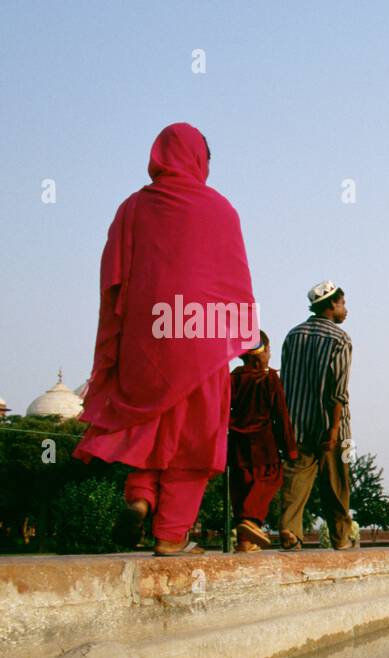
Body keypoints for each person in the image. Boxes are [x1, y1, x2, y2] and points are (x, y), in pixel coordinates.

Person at [75, 123, 257, 556]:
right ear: (200, 160)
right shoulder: (221, 209)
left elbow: (113, 279)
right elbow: (234, 278)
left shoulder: (132, 207)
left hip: (146, 336)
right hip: (201, 333)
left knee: (149, 420)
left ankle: (140, 496)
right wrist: (236, 334)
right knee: (194, 433)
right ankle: (172, 533)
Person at [280, 282, 353, 550]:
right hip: (334, 429)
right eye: (343, 304)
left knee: (295, 484)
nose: (345, 310)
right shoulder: (340, 339)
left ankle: (290, 531)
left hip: (296, 425)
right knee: (338, 484)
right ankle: (341, 537)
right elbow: (338, 392)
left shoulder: (293, 335)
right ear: (331, 304)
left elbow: (285, 382)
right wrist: (333, 430)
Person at [228, 332, 297, 552]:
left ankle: (244, 541)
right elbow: (281, 416)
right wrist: (290, 449)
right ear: (261, 352)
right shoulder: (269, 379)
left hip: (237, 444)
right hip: (264, 445)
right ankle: (250, 520)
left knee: (241, 486)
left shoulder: (233, 378)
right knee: (268, 480)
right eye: (268, 350)